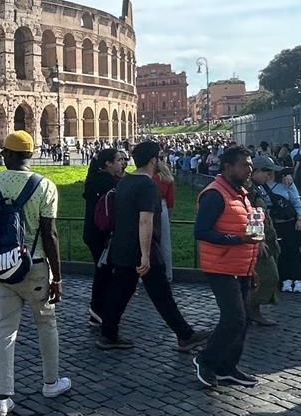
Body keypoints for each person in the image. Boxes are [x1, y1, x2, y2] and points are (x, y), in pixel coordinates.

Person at [0, 130, 71, 416]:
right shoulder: (45, 186)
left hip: (1, 266)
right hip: (36, 265)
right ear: (29, 156)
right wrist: (57, 276)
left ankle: (2, 398)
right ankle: (51, 382)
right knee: (46, 323)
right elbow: (50, 234)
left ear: (9, 154)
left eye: (4, 152)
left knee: (5, 329)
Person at [98, 141, 209, 352]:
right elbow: (145, 221)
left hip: (122, 247)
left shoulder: (125, 180)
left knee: (121, 291)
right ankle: (185, 336)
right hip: (142, 249)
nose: (162, 160)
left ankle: (108, 334)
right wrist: (146, 255)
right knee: (161, 294)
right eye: (159, 157)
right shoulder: (148, 185)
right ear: (153, 160)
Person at [192, 147, 264, 389]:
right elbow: (201, 232)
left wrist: (251, 268)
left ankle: (227, 367)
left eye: (250, 165)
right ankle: (206, 359)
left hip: (241, 266)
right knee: (234, 319)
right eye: (244, 165)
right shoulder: (214, 194)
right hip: (221, 267)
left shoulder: (241, 193)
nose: (249, 169)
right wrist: (237, 241)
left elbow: (245, 231)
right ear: (228, 167)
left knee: (242, 321)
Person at [82, 148, 126, 326]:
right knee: (105, 272)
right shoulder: (108, 182)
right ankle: (98, 310)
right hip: (102, 234)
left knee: (103, 271)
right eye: (118, 160)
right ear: (108, 164)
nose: (122, 163)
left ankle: (98, 311)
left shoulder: (96, 178)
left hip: (93, 232)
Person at [246, 155, 281, 327]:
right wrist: (258, 240)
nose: (269, 176)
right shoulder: (250, 190)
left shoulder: (257, 188)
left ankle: (252, 310)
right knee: (268, 276)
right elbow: (252, 213)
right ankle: (252, 310)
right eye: (266, 172)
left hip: (263, 237)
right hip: (257, 240)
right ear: (256, 171)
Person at [259, 168, 301, 294]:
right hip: (273, 223)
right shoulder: (259, 185)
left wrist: (299, 218)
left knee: (294, 250)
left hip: (289, 222)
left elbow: (296, 201)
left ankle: (298, 279)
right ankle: (285, 278)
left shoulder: (286, 183)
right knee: (280, 251)